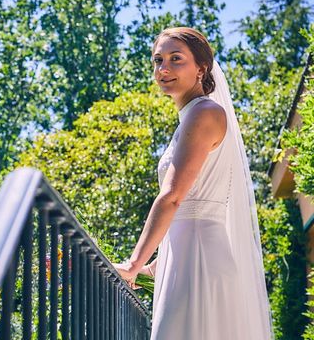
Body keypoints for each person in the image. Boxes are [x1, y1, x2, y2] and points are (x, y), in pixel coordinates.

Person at [111, 27, 274, 339]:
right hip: (191, 256)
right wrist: (153, 267)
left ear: (201, 68)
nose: (164, 68)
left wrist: (132, 264)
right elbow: (195, 207)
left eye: (176, 59)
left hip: (198, 262)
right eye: (158, 60)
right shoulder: (193, 117)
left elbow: (173, 198)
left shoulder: (204, 113)